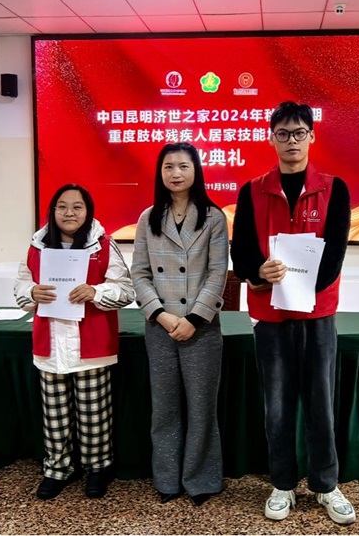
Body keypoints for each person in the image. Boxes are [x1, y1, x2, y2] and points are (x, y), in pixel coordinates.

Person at [230, 101, 354, 524]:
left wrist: (298, 290)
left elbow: (333, 256)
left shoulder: (335, 189)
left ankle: (326, 485)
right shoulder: (252, 190)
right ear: (271, 139)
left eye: (299, 133)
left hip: (317, 315)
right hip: (270, 318)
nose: (291, 141)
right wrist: (257, 272)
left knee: (321, 404)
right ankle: (282, 484)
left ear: (312, 136)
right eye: (282, 134)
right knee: (277, 407)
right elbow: (242, 252)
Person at [14, 183, 135, 500]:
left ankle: (98, 468)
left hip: (92, 343)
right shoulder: (37, 246)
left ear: (88, 211)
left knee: (94, 415)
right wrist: (32, 293)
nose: (69, 213)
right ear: (53, 211)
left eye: (77, 207)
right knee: (55, 416)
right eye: (62, 206)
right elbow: (21, 286)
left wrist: (96, 292)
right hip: (50, 343)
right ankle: (58, 468)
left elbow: (126, 290)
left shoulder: (103, 245)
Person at [131, 142, 229, 506]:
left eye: (183, 166)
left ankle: (201, 480)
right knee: (165, 407)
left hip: (201, 327)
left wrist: (193, 318)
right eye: (168, 166)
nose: (175, 173)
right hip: (160, 325)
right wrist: (160, 314)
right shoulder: (148, 218)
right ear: (160, 172)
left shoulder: (214, 217)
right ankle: (167, 479)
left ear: (196, 171)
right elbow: (139, 273)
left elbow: (218, 273)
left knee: (202, 408)